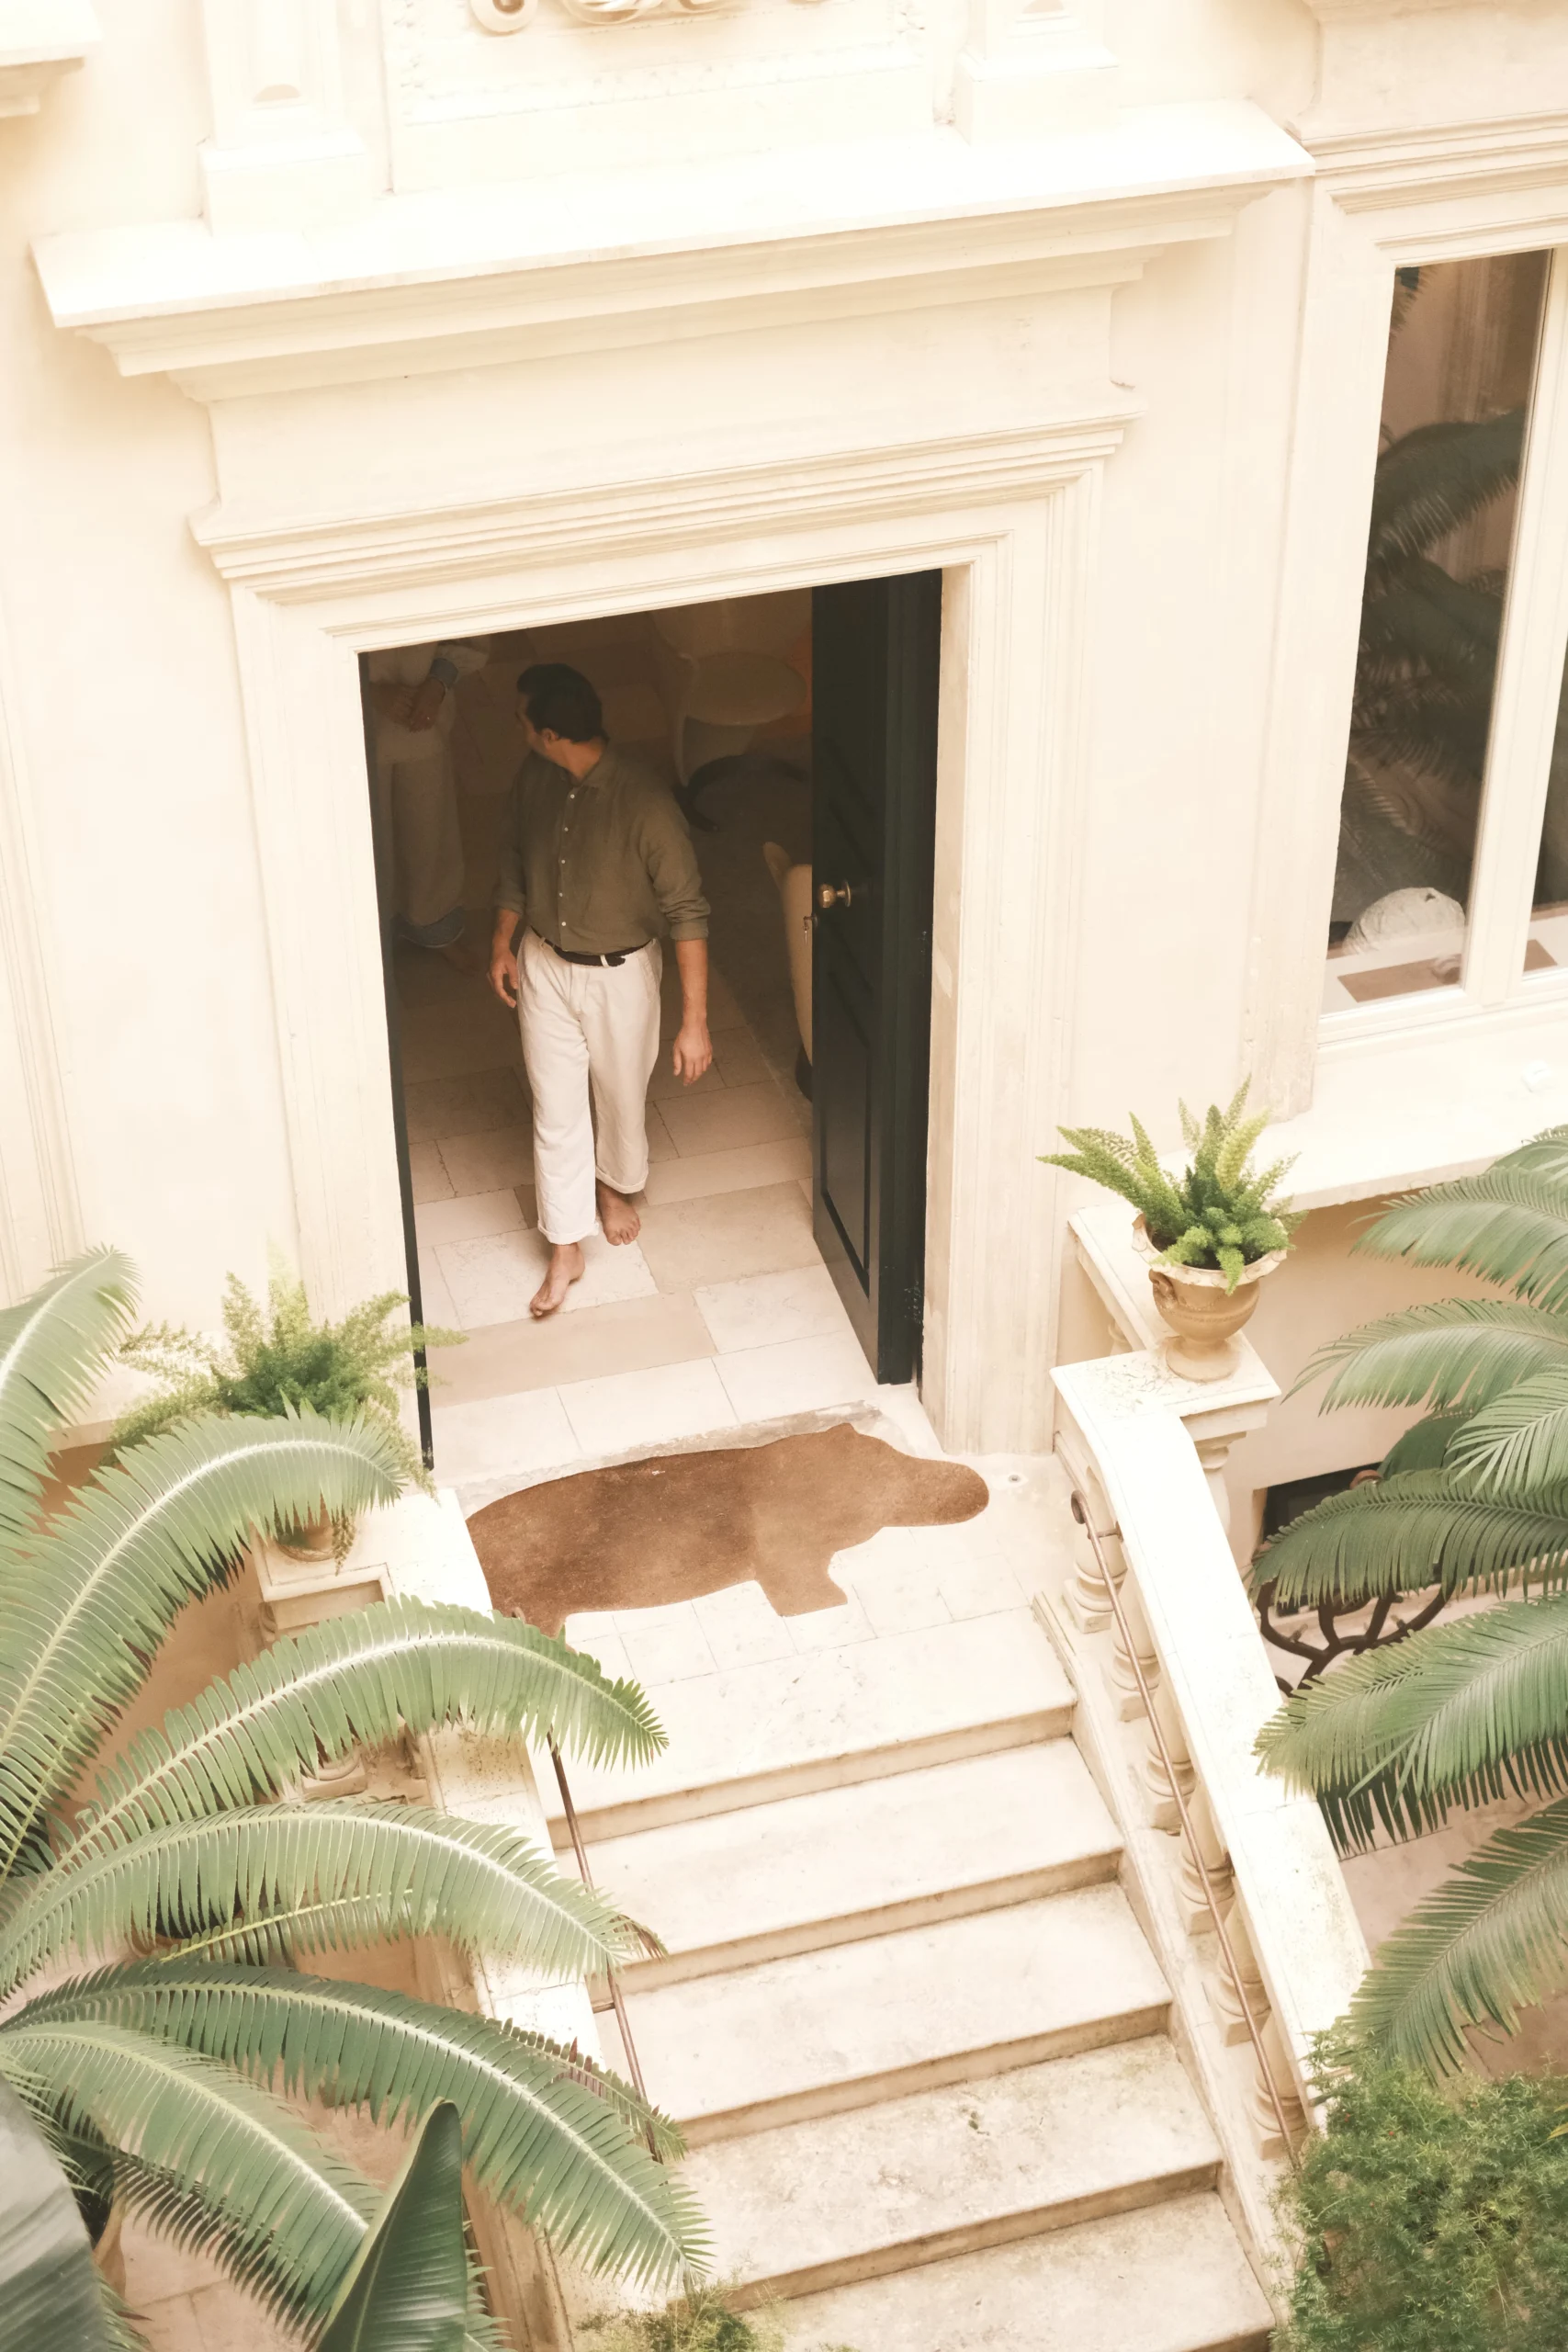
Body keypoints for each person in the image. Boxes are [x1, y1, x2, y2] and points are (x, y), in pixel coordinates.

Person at [489, 662, 713, 1318]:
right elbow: (510, 859)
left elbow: (688, 913)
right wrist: (503, 941)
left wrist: (693, 1022)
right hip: (544, 966)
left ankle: (614, 1185)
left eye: (523, 720)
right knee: (555, 1110)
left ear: (550, 731)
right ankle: (565, 1246)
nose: (518, 729)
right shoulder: (533, 777)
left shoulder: (644, 803)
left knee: (619, 1096)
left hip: (623, 976)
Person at [367, 639, 491, 966]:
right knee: (365, 835)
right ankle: (370, 934)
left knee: (429, 823)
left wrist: (437, 684)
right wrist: (368, 691)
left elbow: (465, 624)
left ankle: (433, 925)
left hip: (425, 717)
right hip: (353, 725)